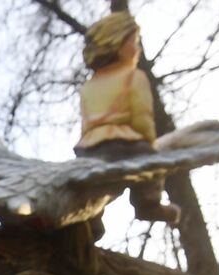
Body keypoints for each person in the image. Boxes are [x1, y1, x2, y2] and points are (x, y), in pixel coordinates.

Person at [74, 13, 182, 227]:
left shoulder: (87, 87)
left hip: (88, 148)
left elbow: (86, 124)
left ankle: (91, 218)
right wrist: (149, 142)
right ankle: (148, 204)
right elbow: (142, 118)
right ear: (117, 43)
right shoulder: (134, 77)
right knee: (152, 164)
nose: (138, 49)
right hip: (125, 143)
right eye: (134, 43)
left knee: (95, 183)